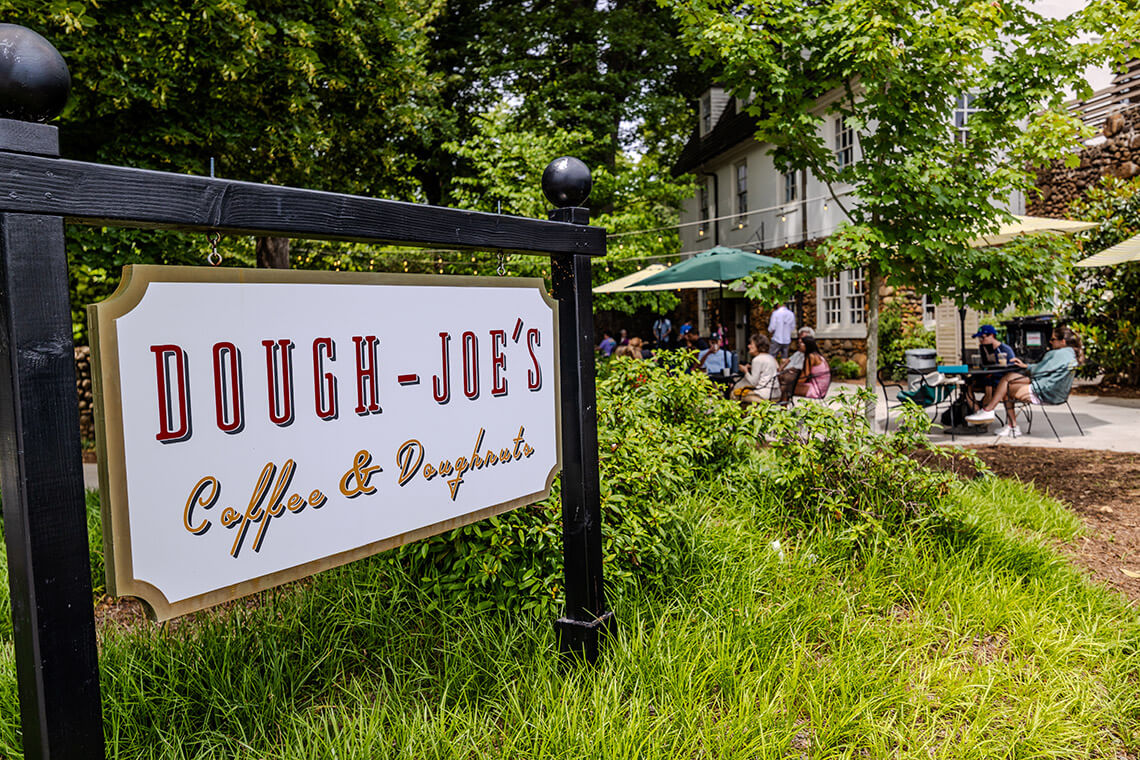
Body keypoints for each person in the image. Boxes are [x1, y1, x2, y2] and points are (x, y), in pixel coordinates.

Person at [964, 326, 1083, 437]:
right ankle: (1008, 424)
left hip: (1045, 392)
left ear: (1063, 341)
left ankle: (992, 413)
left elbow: (1038, 371)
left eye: (1053, 339)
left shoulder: (1057, 354)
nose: (1050, 342)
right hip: (1057, 392)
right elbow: (1045, 370)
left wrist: (1028, 369)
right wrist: (1026, 366)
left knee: (1005, 386)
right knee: (1008, 378)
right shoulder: (1070, 354)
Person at [964, 324, 1017, 412]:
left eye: (982, 338)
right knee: (966, 384)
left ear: (992, 336)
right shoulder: (983, 348)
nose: (980, 341)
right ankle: (977, 411)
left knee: (989, 383)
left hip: (1000, 379)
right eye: (979, 338)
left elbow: (1011, 368)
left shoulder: (1005, 349)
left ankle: (984, 411)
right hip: (986, 376)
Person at [734, 334, 780, 403]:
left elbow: (753, 383)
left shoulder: (757, 360)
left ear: (759, 346)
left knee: (734, 394)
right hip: (776, 394)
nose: (748, 346)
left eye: (751, 344)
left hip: (764, 395)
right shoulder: (770, 357)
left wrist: (745, 371)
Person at [776, 326, 815, 401]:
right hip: (786, 375)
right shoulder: (798, 353)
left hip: (794, 378)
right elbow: (787, 361)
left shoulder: (810, 355)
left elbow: (804, 372)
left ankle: (783, 403)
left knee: (786, 380)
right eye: (799, 338)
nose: (799, 341)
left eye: (802, 339)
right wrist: (780, 369)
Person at [793, 335, 831, 399]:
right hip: (821, 389)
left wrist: (792, 382)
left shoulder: (811, 356)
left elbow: (805, 376)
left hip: (816, 390)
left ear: (807, 345)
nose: (798, 345)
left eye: (801, 343)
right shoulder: (818, 355)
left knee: (786, 388)